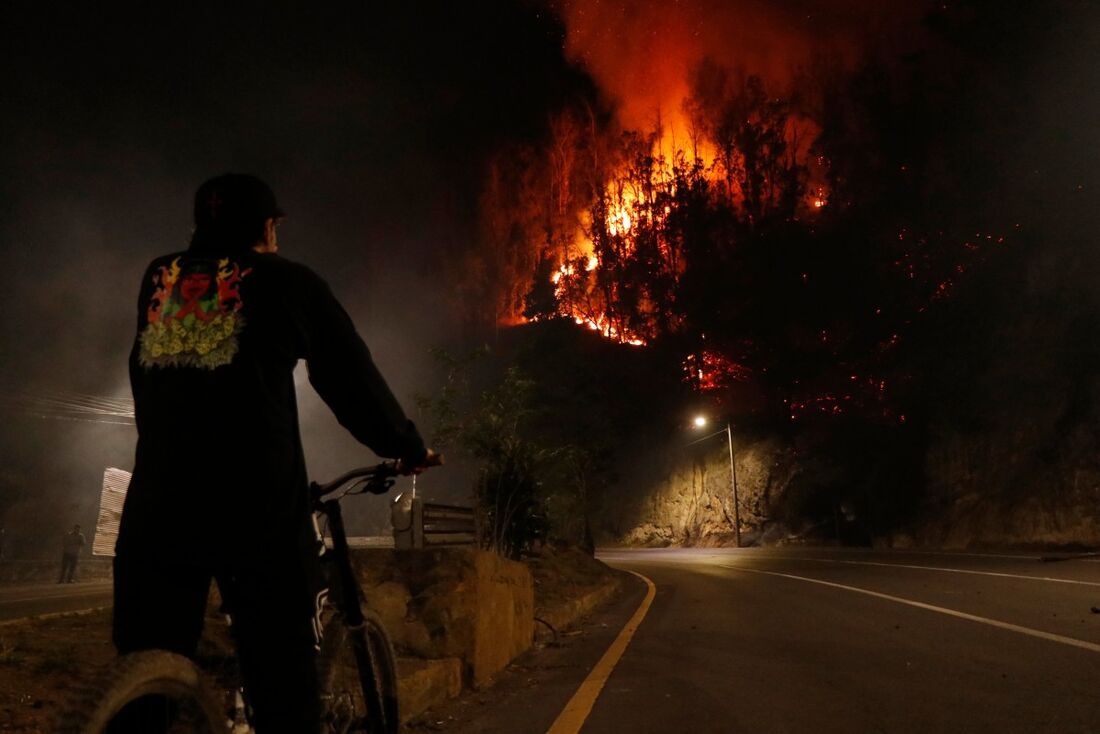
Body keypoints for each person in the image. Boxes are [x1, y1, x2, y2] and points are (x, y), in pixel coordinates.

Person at [114, 173, 434, 733]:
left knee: (143, 673)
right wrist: (405, 446)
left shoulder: (159, 275)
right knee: (282, 673)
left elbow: (145, 373)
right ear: (267, 226)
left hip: (158, 500)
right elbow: (347, 378)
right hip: (254, 505)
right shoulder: (288, 281)